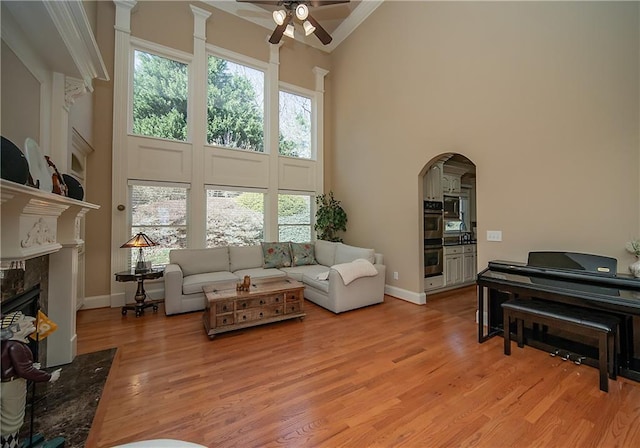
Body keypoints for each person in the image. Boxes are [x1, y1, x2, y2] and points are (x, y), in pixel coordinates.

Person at [1, 312, 61, 448]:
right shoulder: (15, 346)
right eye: (24, 321)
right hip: (12, 388)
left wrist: (31, 365)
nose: (30, 322)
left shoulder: (7, 344)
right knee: (11, 423)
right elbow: (25, 370)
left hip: (10, 386)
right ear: (16, 329)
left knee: (8, 422)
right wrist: (49, 377)